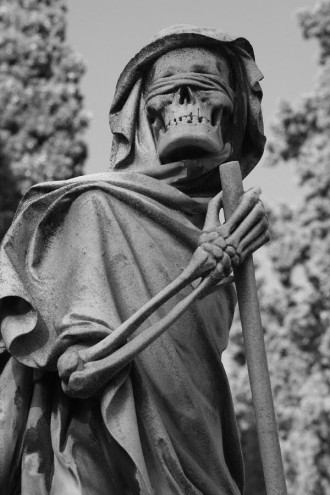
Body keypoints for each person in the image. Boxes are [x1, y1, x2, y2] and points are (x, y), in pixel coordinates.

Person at [0, 25, 267, 495]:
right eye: (168, 82)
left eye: (206, 78)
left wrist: (219, 259)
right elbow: (83, 371)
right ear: (141, 109)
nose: (186, 93)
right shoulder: (92, 206)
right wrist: (200, 273)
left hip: (201, 441)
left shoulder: (221, 226)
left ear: (236, 111)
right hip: (107, 454)